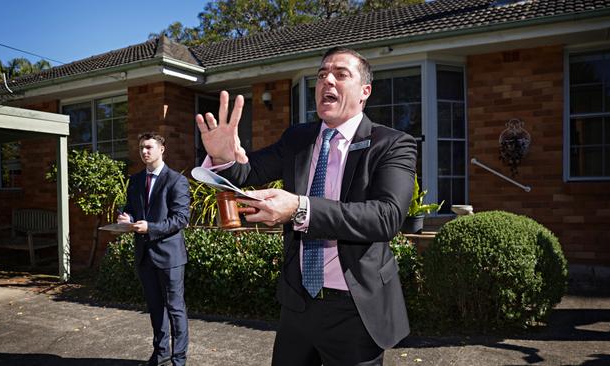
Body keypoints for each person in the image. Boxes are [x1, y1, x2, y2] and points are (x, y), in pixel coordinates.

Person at [195, 46, 417, 365]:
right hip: (297, 303)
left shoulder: (392, 144)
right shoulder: (298, 138)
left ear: (365, 91)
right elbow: (248, 171)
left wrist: (301, 208)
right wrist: (222, 157)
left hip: (355, 309)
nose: (327, 80)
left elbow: (386, 216)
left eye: (340, 74)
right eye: (322, 74)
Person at [117, 132, 191, 366]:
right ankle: (160, 354)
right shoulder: (136, 180)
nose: (144, 152)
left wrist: (150, 227)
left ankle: (179, 360)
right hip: (144, 255)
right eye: (141, 148)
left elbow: (180, 219)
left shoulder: (177, 181)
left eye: (149, 147)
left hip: (170, 257)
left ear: (162, 149)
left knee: (176, 310)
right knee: (155, 308)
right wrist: (126, 217)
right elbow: (131, 208)